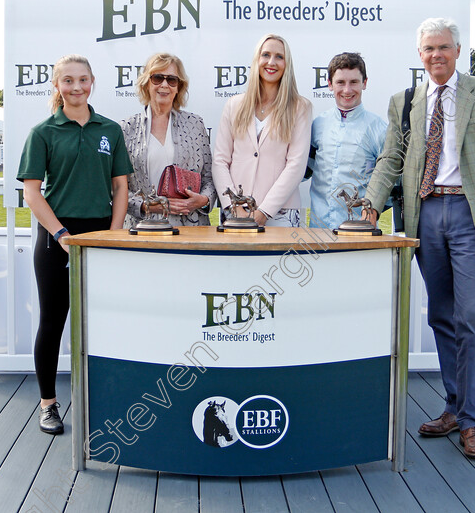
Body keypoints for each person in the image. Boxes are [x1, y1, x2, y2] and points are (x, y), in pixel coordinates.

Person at [364, 17, 475, 459]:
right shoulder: (405, 101)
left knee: (470, 316)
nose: (436, 55)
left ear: (457, 49)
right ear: (420, 55)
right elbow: (392, 156)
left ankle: (473, 423)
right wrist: (373, 202)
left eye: (444, 47)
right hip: (424, 215)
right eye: (429, 49)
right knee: (441, 318)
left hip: (471, 216)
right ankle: (453, 407)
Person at [17, 54, 132, 435]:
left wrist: (112, 235)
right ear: (57, 86)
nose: (76, 87)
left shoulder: (110, 130)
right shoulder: (43, 133)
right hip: (57, 238)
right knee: (53, 321)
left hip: (101, 236)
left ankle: (103, 397)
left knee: (103, 322)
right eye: (68, 81)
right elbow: (32, 194)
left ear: (93, 82)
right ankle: (48, 404)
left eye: (83, 80)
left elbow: (120, 188)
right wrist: (62, 234)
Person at [213, 34, 312, 227]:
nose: (271, 62)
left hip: (282, 214)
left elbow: (296, 166)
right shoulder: (234, 105)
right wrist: (234, 208)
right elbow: (220, 161)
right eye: (265, 55)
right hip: (236, 212)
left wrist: (264, 212)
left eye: (279, 57)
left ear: (287, 63)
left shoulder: (300, 107)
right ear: (257, 60)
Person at [121, 53, 215, 228]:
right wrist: (146, 206)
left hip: (190, 229)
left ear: (179, 87)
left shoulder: (195, 124)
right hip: (142, 230)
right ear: (146, 83)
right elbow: (117, 188)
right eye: (157, 78)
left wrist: (202, 200)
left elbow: (209, 177)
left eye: (172, 80)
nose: (164, 84)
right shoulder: (127, 128)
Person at [308, 52, 387, 230]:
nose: (347, 90)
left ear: (365, 83)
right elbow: (302, 171)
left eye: (354, 82)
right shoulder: (317, 125)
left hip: (359, 233)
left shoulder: (379, 129)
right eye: (340, 82)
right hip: (318, 230)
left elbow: (390, 182)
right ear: (329, 84)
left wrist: (372, 212)